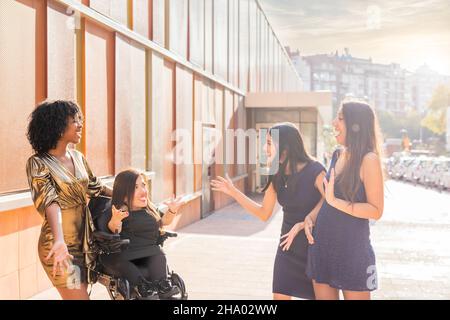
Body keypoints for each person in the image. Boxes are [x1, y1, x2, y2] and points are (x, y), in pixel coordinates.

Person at [211, 123, 326, 300]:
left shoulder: (316, 170)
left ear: (285, 147)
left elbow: (330, 202)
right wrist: (234, 192)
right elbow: (264, 213)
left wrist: (307, 221)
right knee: (279, 296)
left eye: (270, 143)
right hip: (287, 246)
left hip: (314, 246)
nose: (265, 148)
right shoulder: (275, 172)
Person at [26, 100, 113, 300]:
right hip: (60, 247)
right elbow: (50, 201)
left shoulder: (79, 157)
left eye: (80, 119)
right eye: (74, 120)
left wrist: (128, 194)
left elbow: (97, 187)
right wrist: (59, 240)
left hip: (85, 243)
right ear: (56, 125)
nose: (80, 125)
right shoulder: (38, 163)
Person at [306, 101, 384, 300]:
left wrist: (334, 202)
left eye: (340, 118)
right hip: (322, 246)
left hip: (353, 252)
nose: (334, 123)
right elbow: (327, 200)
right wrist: (311, 217)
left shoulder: (369, 159)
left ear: (355, 124)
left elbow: (375, 210)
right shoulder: (337, 154)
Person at [100, 169, 186, 299]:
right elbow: (114, 229)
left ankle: (163, 288)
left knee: (159, 257)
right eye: (136, 187)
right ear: (124, 194)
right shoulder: (121, 211)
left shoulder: (150, 209)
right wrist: (116, 219)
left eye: (143, 185)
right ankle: (143, 288)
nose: (143, 190)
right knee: (129, 266)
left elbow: (164, 222)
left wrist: (172, 210)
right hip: (127, 253)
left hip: (149, 251)